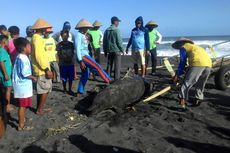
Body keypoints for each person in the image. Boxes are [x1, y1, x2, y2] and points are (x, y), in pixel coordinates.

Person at [75, 19, 112, 95]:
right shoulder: (78, 35)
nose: (86, 29)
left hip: (86, 55)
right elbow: (77, 48)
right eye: (85, 28)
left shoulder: (85, 35)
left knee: (86, 74)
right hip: (82, 56)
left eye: (87, 28)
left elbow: (87, 47)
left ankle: (79, 91)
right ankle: (109, 80)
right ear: (81, 28)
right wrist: (80, 61)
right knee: (97, 66)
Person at [172, 38, 212, 109]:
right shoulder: (197, 47)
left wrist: (177, 75)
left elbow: (182, 62)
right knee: (200, 83)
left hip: (197, 63)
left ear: (180, 44)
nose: (178, 48)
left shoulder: (183, 47)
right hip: (208, 64)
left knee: (187, 83)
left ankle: (182, 103)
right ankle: (198, 99)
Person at [12, 37, 37, 131]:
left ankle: (22, 119)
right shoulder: (23, 58)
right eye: (29, 46)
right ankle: (21, 125)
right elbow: (25, 73)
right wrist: (34, 77)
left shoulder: (19, 56)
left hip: (20, 85)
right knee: (22, 106)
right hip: (23, 86)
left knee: (23, 105)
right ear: (23, 48)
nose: (30, 47)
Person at [31, 18, 53, 116]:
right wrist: (46, 69)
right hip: (42, 70)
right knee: (45, 90)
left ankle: (39, 108)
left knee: (42, 91)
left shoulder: (35, 37)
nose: (46, 30)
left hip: (40, 69)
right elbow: (39, 56)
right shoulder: (38, 38)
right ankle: (39, 110)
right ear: (42, 29)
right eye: (45, 28)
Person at [57, 30, 77, 94]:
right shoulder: (59, 45)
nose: (65, 37)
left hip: (70, 63)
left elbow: (73, 53)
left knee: (71, 78)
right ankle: (64, 89)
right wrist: (59, 62)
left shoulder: (71, 44)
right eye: (63, 36)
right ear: (61, 36)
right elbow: (58, 54)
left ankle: (70, 89)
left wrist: (72, 61)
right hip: (63, 64)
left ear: (68, 36)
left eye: (66, 35)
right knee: (64, 77)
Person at [0, 35, 13, 113]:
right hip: (5, 74)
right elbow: (1, 61)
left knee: (5, 89)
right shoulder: (2, 51)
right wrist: (5, 74)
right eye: (8, 41)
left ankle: (5, 104)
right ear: (4, 42)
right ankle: (7, 106)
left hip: (3, 74)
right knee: (8, 88)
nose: (9, 43)